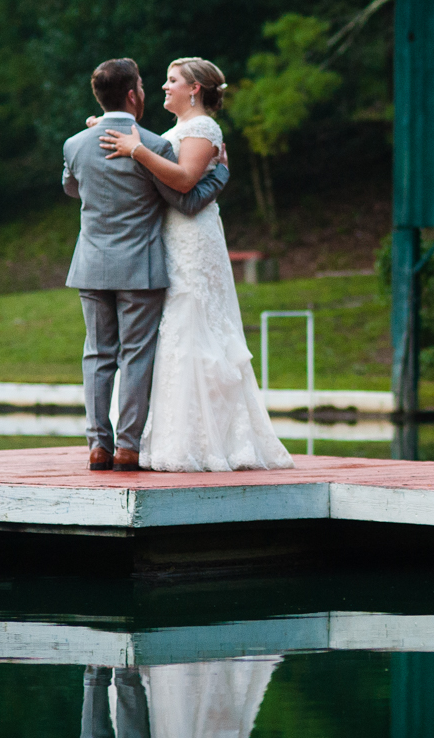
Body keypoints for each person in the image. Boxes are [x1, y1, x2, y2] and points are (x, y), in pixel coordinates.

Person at [99, 57, 293, 472]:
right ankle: (158, 438)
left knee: (192, 321)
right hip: (169, 235)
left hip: (192, 239)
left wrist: (136, 150)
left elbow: (185, 179)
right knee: (169, 330)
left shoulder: (204, 129)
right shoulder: (172, 132)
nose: (164, 87)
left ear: (195, 90)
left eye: (172, 81)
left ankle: (205, 442)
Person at [64, 58, 229, 473]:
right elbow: (184, 199)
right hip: (140, 266)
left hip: (91, 264)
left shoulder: (74, 144)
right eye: (143, 84)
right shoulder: (153, 147)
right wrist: (219, 176)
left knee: (97, 355)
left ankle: (98, 446)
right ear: (133, 95)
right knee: (136, 356)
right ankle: (128, 449)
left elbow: (70, 186)